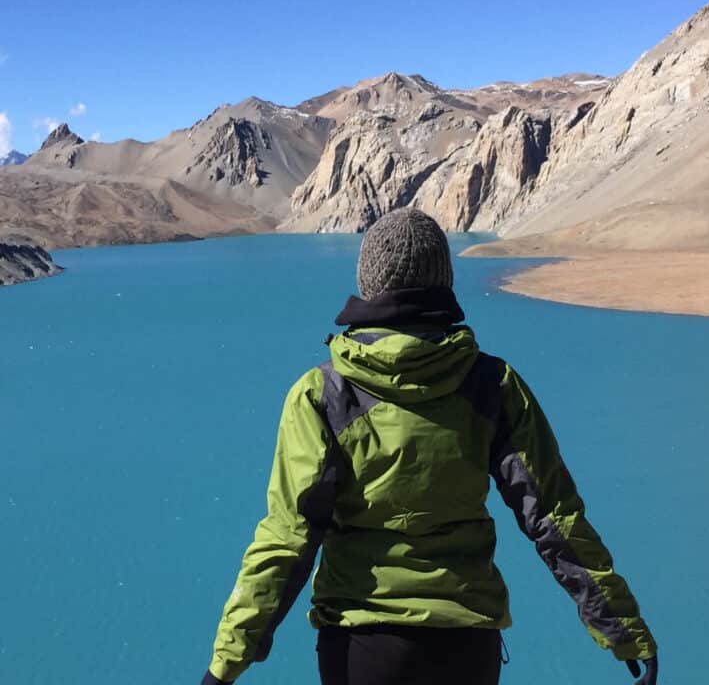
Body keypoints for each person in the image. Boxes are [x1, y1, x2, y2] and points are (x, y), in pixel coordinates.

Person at [200, 208, 658, 685]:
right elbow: (553, 516)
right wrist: (622, 627)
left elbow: (287, 539)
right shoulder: (492, 384)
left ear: (368, 280)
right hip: (465, 646)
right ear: (444, 282)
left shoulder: (322, 394)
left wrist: (225, 664)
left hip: (360, 648)